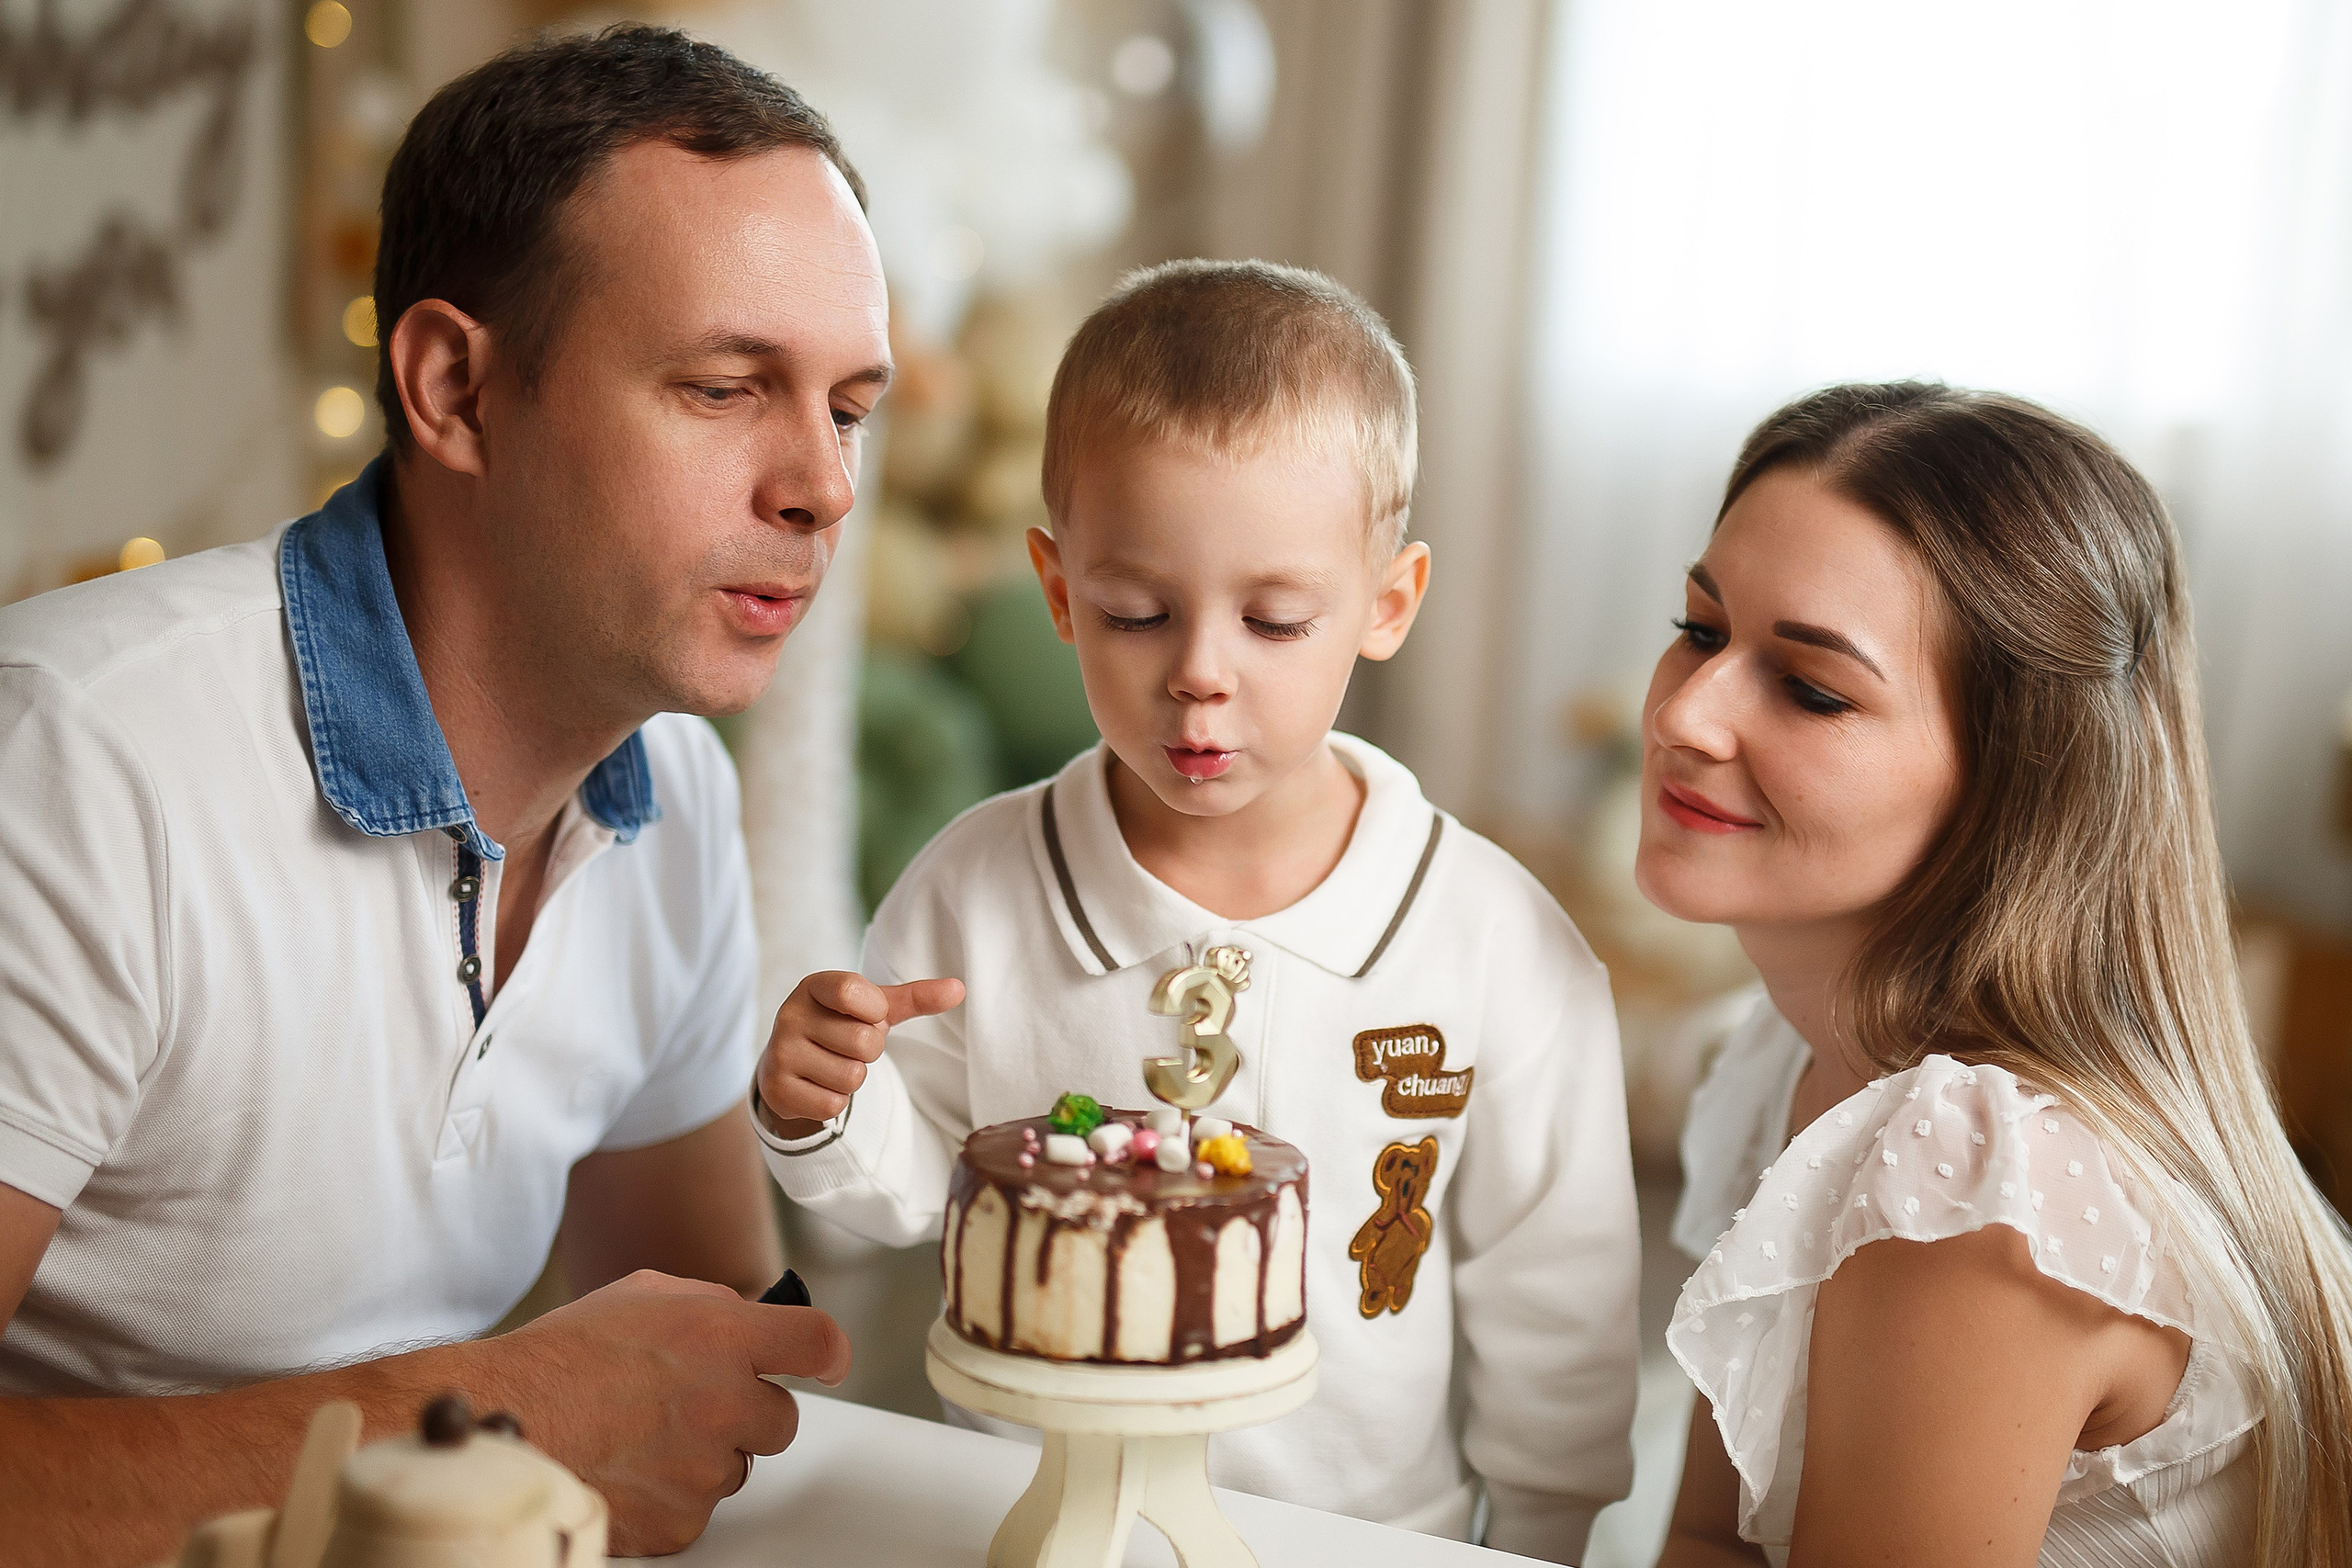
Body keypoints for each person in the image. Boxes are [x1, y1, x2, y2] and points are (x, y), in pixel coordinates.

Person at [0, 28, 888, 1562]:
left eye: (849, 406)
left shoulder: (669, 781)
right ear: (455, 388)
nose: (822, 485)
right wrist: (481, 1418)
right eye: (724, 386)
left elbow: (708, 1360)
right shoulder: (76, 762)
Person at [753, 260, 1642, 1562]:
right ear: (1058, 591)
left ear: (1386, 604)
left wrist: (1546, 1537)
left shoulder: (1494, 943)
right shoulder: (977, 887)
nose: (1199, 677)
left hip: (1362, 1542)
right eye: (1136, 613)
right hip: (1030, 1525)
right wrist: (819, 1104)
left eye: (1276, 621)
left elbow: (1555, 1296)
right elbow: (895, 1201)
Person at [1644, 383, 2352, 1566]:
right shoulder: (1796, 1058)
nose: (1690, 716)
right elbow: (1711, 1542)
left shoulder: (1981, 1185)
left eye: (1813, 688)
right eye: (1702, 629)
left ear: (2012, 779)